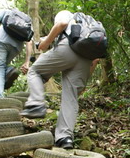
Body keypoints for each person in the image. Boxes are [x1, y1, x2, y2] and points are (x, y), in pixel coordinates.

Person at [20, 10, 99, 149]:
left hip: (67, 49)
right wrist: (84, 81)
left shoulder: (67, 15)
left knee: (35, 71)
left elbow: (61, 23)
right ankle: (65, 138)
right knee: (70, 98)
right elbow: (96, 59)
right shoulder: (87, 28)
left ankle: (37, 103)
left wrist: (44, 44)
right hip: (85, 60)